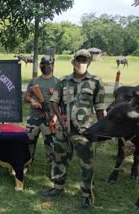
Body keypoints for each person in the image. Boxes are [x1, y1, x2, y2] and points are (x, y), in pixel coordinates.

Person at [42, 49, 105, 211]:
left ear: (89, 62)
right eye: (78, 59)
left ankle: (86, 196)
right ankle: (57, 187)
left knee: (86, 164)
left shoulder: (95, 81)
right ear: (73, 61)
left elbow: (99, 107)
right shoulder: (63, 81)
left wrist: (102, 128)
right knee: (59, 158)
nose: (81, 63)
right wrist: (60, 117)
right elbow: (54, 101)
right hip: (64, 129)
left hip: (85, 131)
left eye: (85, 60)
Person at [25, 55, 58, 177]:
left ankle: (52, 172)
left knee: (51, 146)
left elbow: (61, 103)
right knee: (29, 144)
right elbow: (27, 96)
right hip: (33, 118)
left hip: (49, 119)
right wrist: (33, 101)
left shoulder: (57, 82)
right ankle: (26, 168)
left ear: (53, 66)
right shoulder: (34, 81)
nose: (46, 66)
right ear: (40, 65)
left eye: (48, 64)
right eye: (43, 64)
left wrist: (54, 118)